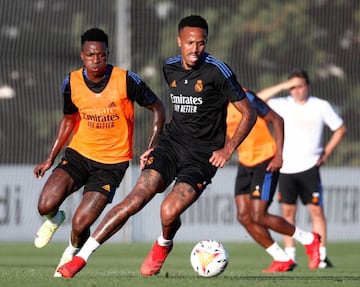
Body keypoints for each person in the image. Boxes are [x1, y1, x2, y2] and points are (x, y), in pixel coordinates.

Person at [56, 14, 257, 278]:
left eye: (201, 43)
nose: (195, 49)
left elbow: (249, 113)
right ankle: (81, 258)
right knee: (136, 197)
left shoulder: (218, 71)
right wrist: (154, 145)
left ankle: (163, 243)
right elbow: (175, 113)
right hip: (170, 145)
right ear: (179, 41)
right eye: (190, 43)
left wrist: (228, 149)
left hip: (202, 157)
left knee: (169, 210)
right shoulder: (169, 67)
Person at [33, 27, 165, 277]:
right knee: (45, 205)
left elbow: (157, 107)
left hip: (111, 165)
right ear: (82, 55)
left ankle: (71, 252)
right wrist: (50, 158)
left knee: (81, 223)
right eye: (91, 55)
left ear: (107, 54)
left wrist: (152, 145)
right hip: (78, 154)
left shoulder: (126, 79)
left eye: (101, 55)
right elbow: (69, 120)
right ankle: (53, 219)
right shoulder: (70, 82)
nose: (96, 60)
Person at [257, 68, 347, 268]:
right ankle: (291, 256)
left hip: (309, 167)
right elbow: (257, 100)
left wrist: (327, 152)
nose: (297, 91)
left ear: (308, 86)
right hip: (285, 167)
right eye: (293, 87)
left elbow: (340, 129)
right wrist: (282, 85)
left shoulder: (320, 106)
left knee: (316, 211)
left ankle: (321, 256)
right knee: (287, 213)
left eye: (300, 86)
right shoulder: (281, 104)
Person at [227, 89, 321, 273]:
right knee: (243, 217)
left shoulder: (246, 97)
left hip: (265, 161)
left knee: (258, 215)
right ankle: (281, 258)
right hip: (245, 162)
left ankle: (309, 239)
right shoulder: (214, 104)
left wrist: (279, 155)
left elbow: (277, 120)